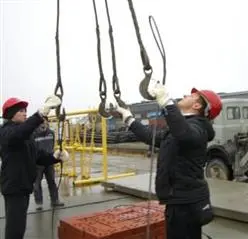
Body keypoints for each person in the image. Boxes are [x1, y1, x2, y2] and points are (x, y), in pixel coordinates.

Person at [115, 81, 222, 239]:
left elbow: (184, 134)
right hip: (179, 201)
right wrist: (129, 119)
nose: (185, 95)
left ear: (198, 106)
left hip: (186, 204)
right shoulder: (182, 127)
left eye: (192, 96)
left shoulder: (199, 128)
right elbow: (152, 137)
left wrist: (166, 101)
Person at [0, 95, 63, 239]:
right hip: (14, 186)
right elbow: (18, 134)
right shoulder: (6, 131)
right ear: (11, 114)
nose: (24, 113)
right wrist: (39, 115)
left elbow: (38, 156)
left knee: (19, 227)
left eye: (25, 110)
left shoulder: (26, 135)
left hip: (23, 186)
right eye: (21, 110)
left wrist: (55, 157)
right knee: (15, 229)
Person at [33, 116, 65, 210]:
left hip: (49, 162)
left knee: (51, 181)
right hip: (38, 162)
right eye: (41, 122)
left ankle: (55, 201)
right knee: (36, 183)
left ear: (47, 122)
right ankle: (39, 203)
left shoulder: (51, 133)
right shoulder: (33, 134)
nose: (43, 123)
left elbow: (52, 146)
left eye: (44, 121)